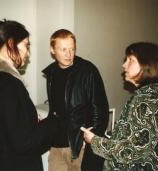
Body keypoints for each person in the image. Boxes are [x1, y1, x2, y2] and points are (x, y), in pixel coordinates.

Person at [0, 19, 59, 171]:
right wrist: (53, 120)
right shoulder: (9, 84)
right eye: (26, 45)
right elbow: (24, 142)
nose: (28, 53)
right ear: (11, 43)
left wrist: (29, 119)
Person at [81, 42, 158, 171]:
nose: (124, 65)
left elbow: (131, 151)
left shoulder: (146, 100)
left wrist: (93, 140)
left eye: (130, 60)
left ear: (146, 65)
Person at [42, 29, 109, 171]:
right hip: (56, 144)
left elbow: (100, 108)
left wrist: (92, 139)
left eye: (72, 49)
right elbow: (55, 108)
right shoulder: (51, 73)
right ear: (52, 50)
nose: (69, 54)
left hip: (79, 146)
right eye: (63, 49)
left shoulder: (88, 70)